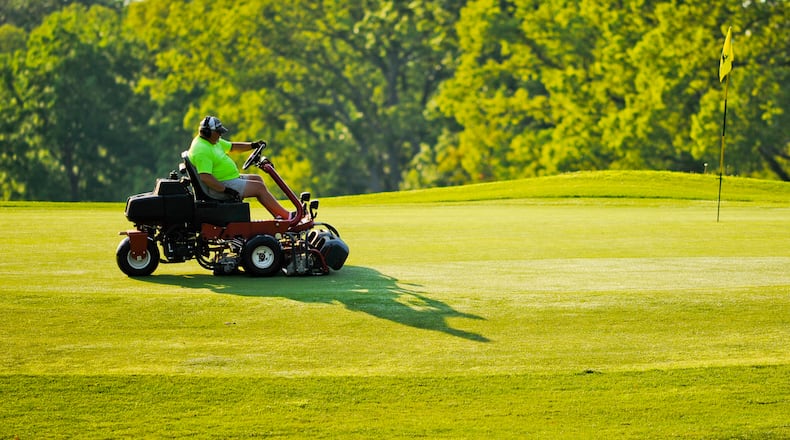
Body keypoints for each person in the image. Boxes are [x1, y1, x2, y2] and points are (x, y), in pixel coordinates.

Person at [188, 116, 291, 219]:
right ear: (207, 132)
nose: (220, 134)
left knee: (257, 179)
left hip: (227, 179)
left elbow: (232, 147)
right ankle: (287, 216)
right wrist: (226, 190)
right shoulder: (202, 150)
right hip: (219, 187)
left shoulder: (212, 141)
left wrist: (253, 145)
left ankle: (279, 217)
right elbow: (205, 177)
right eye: (218, 132)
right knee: (259, 188)